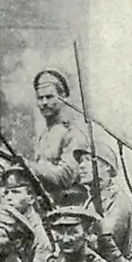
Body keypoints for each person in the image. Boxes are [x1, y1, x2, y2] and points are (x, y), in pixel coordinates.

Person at [30, 69, 87, 197]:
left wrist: (30, 167)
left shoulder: (73, 133)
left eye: (49, 97)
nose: (44, 103)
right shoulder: (44, 134)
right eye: (40, 98)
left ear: (63, 98)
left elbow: (65, 177)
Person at [0, 163, 53, 262]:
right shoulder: (9, 220)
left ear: (31, 198)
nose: (9, 198)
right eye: (7, 193)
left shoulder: (40, 232)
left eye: (16, 192)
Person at [74, 142, 131, 250]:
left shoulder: (116, 199)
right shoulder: (91, 199)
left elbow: (108, 244)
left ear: (107, 166)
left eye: (88, 160)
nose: (81, 166)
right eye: (81, 161)